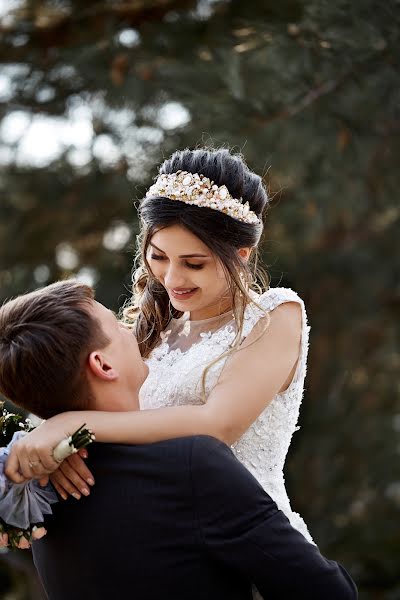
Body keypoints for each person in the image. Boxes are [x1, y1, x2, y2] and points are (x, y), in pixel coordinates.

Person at [8, 148, 312, 544]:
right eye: (158, 257)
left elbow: (217, 426)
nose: (171, 277)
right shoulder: (147, 333)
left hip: (254, 543)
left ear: (240, 256)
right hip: (166, 542)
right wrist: (61, 450)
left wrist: (72, 426)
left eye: (194, 263)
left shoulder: (276, 316)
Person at [0, 281, 357, 600]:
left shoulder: (39, 497)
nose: (129, 329)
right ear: (103, 365)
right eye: (115, 323)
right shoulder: (191, 466)